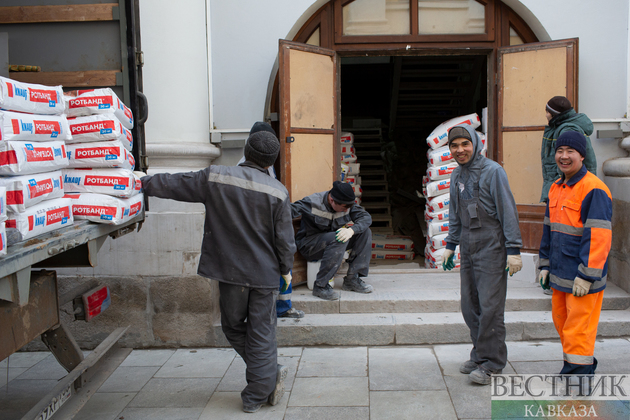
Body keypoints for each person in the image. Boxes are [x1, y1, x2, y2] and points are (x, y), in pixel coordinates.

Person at [140, 131, 295, 413]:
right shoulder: (278, 191)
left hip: (231, 273)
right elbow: (285, 242)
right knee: (261, 333)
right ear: (271, 161)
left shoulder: (217, 177)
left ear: (247, 152)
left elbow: (174, 184)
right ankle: (259, 389)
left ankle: (263, 380)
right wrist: (286, 271)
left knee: (233, 327)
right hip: (264, 275)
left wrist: (140, 183)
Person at [442, 124, 523, 385]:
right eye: (454, 145)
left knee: (490, 307)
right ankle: (479, 354)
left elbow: (507, 211)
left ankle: (492, 363)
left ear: (476, 144)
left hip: (492, 245)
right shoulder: (456, 175)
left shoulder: (493, 172)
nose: (460, 150)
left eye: (465, 144)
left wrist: (513, 249)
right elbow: (455, 213)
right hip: (468, 243)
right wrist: (450, 244)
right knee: (470, 305)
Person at [538, 131, 612, 377]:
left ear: (582, 155)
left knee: (578, 328)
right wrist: (545, 265)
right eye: (560, 151)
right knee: (562, 322)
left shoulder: (594, 188)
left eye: (570, 151)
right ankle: (583, 362)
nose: (564, 156)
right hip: (560, 273)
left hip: (581, 275)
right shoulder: (556, 188)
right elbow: (549, 230)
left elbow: (599, 236)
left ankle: (578, 375)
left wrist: (587, 275)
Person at [238, 121, 304, 319]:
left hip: (267, 228)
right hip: (255, 230)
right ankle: (261, 312)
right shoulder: (242, 169)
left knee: (284, 261)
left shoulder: (267, 165)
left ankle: (282, 307)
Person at [291, 181, 373, 301]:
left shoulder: (347, 205)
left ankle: (352, 280)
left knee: (365, 232)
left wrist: (351, 230)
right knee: (338, 238)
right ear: (332, 200)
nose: (346, 211)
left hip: (333, 243)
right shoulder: (312, 202)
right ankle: (321, 286)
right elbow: (286, 211)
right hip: (310, 245)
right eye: (344, 208)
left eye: (349, 207)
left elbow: (366, 218)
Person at [541, 96, 597, 203]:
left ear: (554, 114)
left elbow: (566, 162)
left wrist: (562, 186)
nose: (546, 115)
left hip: (569, 187)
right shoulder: (563, 127)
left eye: (547, 112)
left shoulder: (567, 130)